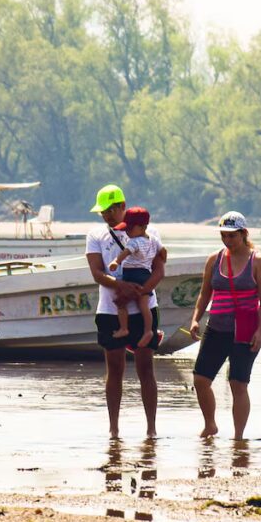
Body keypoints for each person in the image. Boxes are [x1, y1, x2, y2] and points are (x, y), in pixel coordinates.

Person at [85, 185, 166, 439]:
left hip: (144, 308)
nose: (106, 216)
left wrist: (140, 291)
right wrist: (121, 286)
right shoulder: (96, 235)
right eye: (102, 212)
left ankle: (151, 428)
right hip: (110, 309)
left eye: (110, 211)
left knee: (145, 367)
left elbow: (160, 268)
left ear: (122, 206)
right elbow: (97, 273)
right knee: (115, 368)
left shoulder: (150, 231)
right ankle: (114, 429)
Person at [188, 211, 261, 440]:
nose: (227, 241)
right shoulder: (214, 259)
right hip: (216, 327)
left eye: (232, 236)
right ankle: (210, 425)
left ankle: (238, 437)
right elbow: (205, 294)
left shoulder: (259, 262)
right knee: (201, 379)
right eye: (223, 236)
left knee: (238, 383)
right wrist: (196, 319)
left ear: (244, 234)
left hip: (245, 331)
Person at [107, 207, 161, 348]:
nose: (127, 231)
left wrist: (115, 262)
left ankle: (124, 328)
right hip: (145, 275)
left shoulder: (133, 241)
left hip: (132, 275)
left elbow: (125, 253)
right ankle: (148, 331)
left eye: (130, 228)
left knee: (121, 302)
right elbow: (161, 249)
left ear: (143, 227)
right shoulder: (152, 239)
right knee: (144, 305)